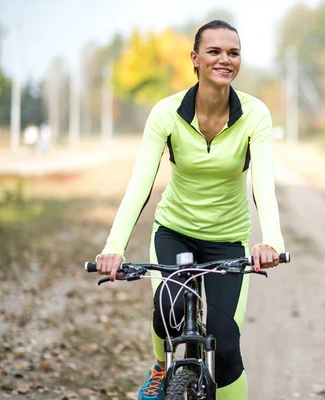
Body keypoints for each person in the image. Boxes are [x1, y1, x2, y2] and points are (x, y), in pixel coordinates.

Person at [94, 20, 285, 400]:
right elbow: (140, 187)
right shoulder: (166, 113)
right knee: (167, 311)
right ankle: (162, 367)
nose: (225, 60)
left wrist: (272, 241)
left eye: (233, 53)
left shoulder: (255, 114)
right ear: (195, 59)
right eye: (214, 51)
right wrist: (113, 247)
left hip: (227, 240)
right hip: (175, 232)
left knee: (226, 344)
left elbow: (264, 186)